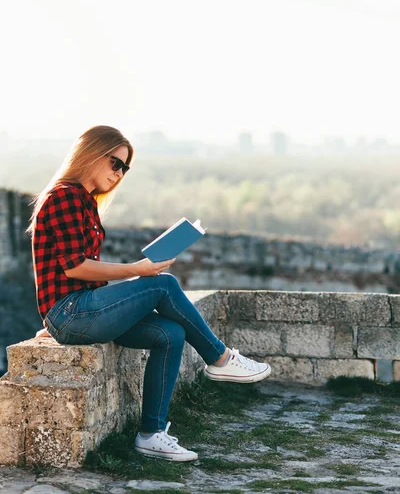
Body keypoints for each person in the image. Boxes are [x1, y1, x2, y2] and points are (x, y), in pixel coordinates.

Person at [27, 125, 271, 462]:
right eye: (116, 164)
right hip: (72, 312)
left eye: (125, 168)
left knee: (170, 333)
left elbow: (80, 274)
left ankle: (151, 434)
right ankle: (220, 359)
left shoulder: (85, 201)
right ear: (93, 154)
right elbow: (74, 268)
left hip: (79, 311)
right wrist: (135, 270)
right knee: (163, 283)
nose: (119, 174)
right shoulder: (64, 195)